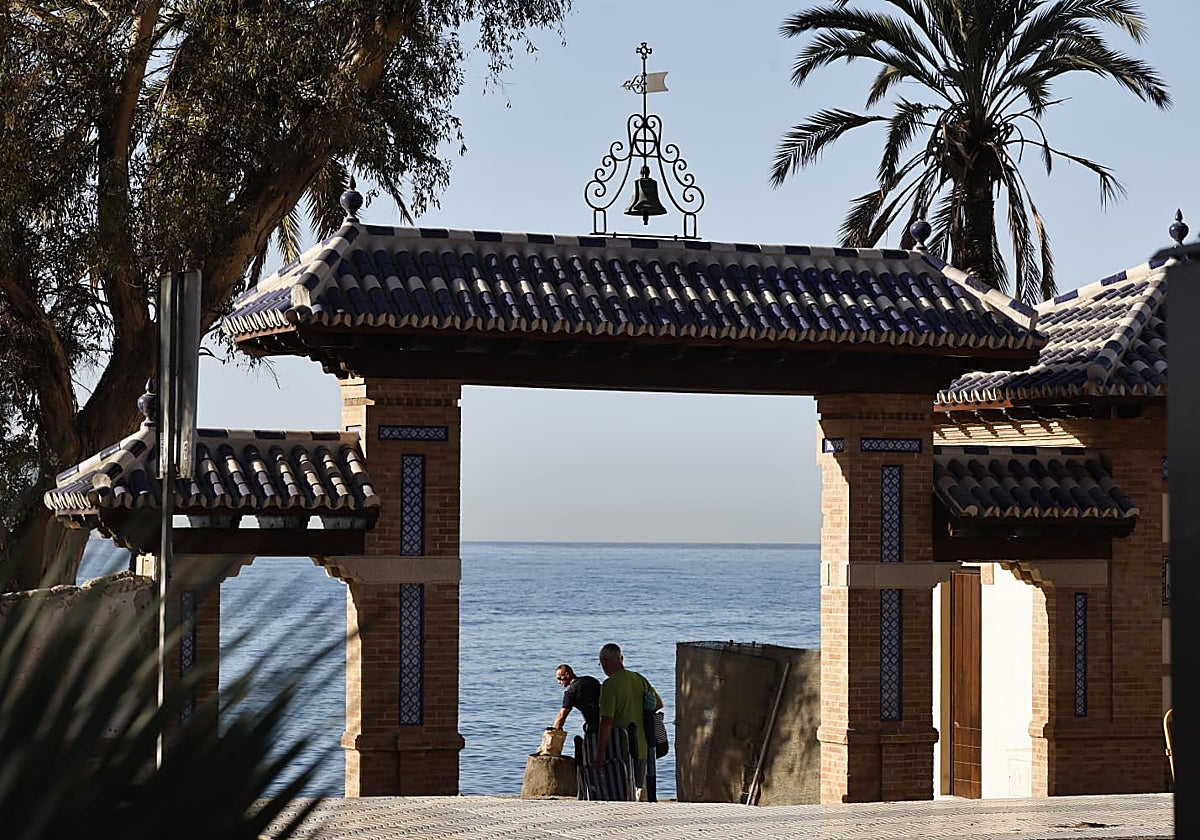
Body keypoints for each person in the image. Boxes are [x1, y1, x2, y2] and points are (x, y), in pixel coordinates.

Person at [594, 642, 662, 801]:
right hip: (643, 745)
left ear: (616, 660)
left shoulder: (609, 685)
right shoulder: (639, 679)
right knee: (638, 790)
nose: (603, 666)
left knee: (620, 793)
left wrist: (600, 753)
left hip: (620, 748)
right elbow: (658, 704)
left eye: (604, 661)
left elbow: (606, 721)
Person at [550, 663, 601, 733]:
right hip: (609, 718)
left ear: (567, 675)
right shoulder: (590, 680)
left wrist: (553, 732)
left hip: (594, 725)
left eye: (559, 678)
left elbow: (562, 716)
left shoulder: (571, 693)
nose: (559, 682)